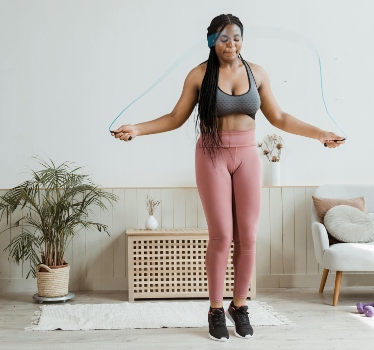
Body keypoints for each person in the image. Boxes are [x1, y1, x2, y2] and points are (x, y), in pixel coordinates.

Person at [111, 14, 345, 342]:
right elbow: (176, 117)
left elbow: (279, 117)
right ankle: (216, 309)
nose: (231, 44)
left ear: (242, 40)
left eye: (236, 38)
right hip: (211, 154)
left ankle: (240, 305)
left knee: (247, 236)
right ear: (211, 41)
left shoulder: (258, 73)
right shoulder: (199, 75)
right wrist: (138, 129)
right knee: (222, 235)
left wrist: (320, 134)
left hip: (247, 156)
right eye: (223, 38)